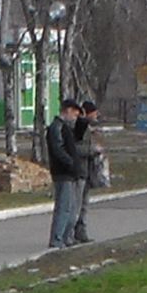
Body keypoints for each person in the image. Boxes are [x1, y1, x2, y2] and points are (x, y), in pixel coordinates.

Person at [45, 100, 83, 248]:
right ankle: (57, 238)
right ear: (67, 110)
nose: (75, 117)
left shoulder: (66, 127)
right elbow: (58, 150)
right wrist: (71, 163)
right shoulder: (57, 127)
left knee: (71, 208)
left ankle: (67, 237)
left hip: (70, 173)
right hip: (63, 172)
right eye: (74, 114)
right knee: (64, 207)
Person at [73, 100, 102, 243]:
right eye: (94, 113)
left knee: (84, 204)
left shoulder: (88, 128)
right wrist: (92, 150)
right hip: (79, 170)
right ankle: (70, 233)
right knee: (77, 204)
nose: (96, 116)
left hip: (87, 170)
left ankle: (81, 232)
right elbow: (75, 148)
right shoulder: (79, 127)